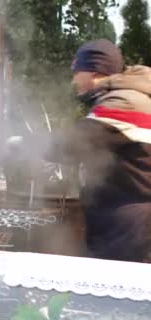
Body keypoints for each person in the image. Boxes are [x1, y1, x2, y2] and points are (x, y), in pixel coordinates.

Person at [30, 39, 151, 262]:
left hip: (129, 229)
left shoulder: (123, 103)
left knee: (115, 292)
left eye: (77, 72)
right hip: (125, 223)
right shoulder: (128, 98)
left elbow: (70, 145)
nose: (74, 80)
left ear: (94, 70)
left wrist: (22, 143)